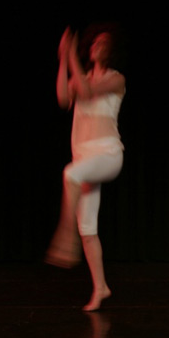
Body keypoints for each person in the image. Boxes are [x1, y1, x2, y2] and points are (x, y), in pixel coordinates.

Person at [45, 23, 127, 311]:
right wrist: (64, 59)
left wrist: (72, 58)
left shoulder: (116, 79)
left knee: (70, 173)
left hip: (108, 155)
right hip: (85, 159)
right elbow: (63, 98)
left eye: (103, 43)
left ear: (111, 51)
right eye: (94, 42)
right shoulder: (81, 78)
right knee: (88, 228)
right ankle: (101, 287)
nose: (96, 46)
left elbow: (88, 92)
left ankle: (64, 237)